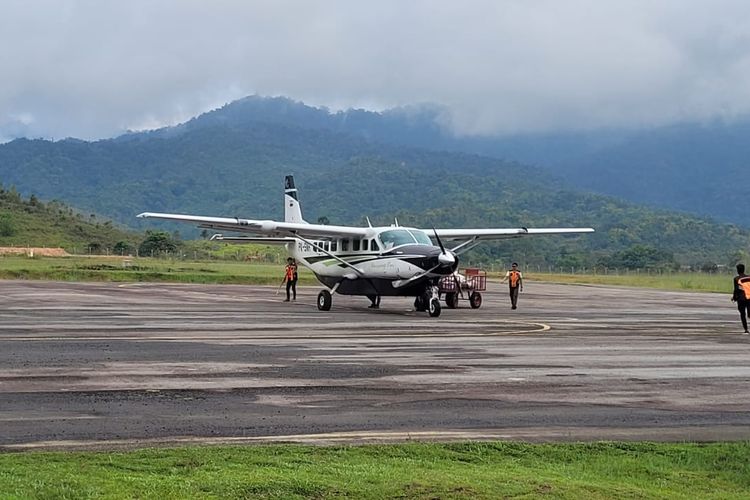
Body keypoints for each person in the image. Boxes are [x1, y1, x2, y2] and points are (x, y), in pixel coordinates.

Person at [731, 263, 750, 333]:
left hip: (741, 299)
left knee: (742, 314)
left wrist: (734, 298)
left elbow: (736, 290)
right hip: (749, 298)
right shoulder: (749, 277)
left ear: (737, 270)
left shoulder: (736, 279)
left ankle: (746, 329)